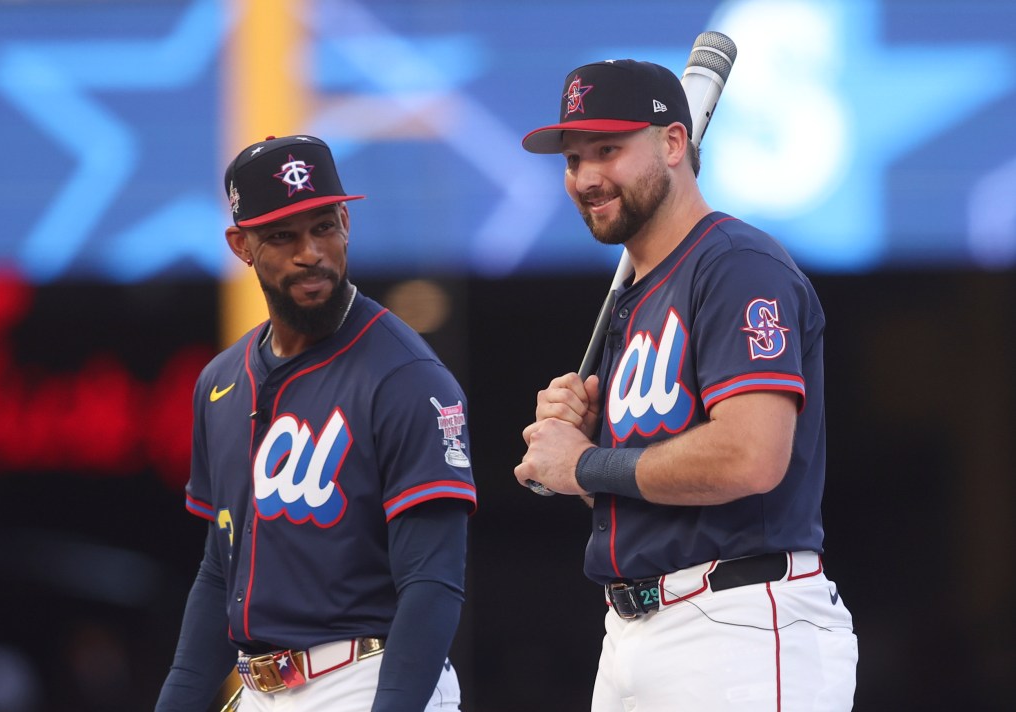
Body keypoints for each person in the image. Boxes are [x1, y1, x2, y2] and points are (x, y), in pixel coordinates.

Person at [513, 59, 858, 710]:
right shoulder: (635, 298)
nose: (586, 177)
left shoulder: (735, 267)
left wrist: (585, 463)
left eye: (608, 150)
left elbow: (751, 457)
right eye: (573, 160)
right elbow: (644, 498)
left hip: (741, 626)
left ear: (674, 143)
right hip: (634, 630)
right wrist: (580, 455)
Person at [155, 135, 477, 712]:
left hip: (365, 676)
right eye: (283, 235)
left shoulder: (406, 376)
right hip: (259, 690)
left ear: (346, 222)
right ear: (242, 245)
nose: (311, 252)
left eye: (323, 226)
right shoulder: (220, 383)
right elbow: (217, 572)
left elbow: (433, 583)